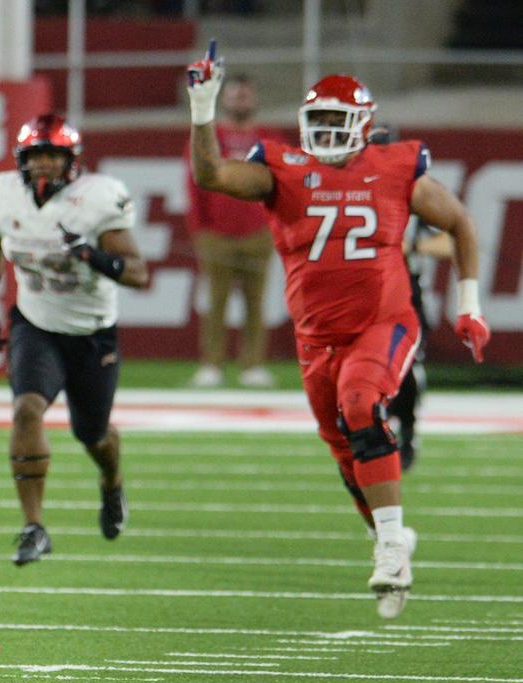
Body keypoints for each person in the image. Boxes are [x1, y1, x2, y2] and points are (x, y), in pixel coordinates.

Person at [185, 41, 490, 618]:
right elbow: (211, 174)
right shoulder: (284, 169)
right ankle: (390, 539)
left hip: (384, 322)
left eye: (336, 119)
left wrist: (469, 303)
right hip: (315, 336)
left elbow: (460, 223)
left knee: (361, 404)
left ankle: (392, 544)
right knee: (345, 452)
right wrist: (203, 111)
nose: (325, 130)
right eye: (317, 119)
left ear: (363, 125)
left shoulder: (396, 167)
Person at [0, 114, 149, 566]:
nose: (44, 165)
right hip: (36, 324)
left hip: (91, 332)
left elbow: (137, 272)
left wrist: (88, 253)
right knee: (25, 409)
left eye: (53, 155)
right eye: (36, 156)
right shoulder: (2, 195)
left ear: (72, 161)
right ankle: (35, 526)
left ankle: (112, 482)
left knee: (93, 434)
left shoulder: (96, 200)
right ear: (21, 160)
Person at [367, 122, 454, 473]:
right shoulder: (345, 185)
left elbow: (449, 240)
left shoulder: (414, 187)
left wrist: (412, 245)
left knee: (406, 369)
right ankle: (373, 429)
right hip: (359, 292)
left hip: (403, 289)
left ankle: (408, 429)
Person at [185, 74, 277, 389]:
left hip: (258, 232)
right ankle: (212, 364)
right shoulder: (210, 136)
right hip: (216, 234)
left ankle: (252, 365)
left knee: (256, 302)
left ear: (254, 100)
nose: (241, 102)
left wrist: (275, 227)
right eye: (236, 96)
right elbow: (193, 184)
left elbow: (281, 186)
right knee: (215, 302)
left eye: (245, 96)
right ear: (224, 100)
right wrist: (200, 230)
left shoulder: (268, 138)